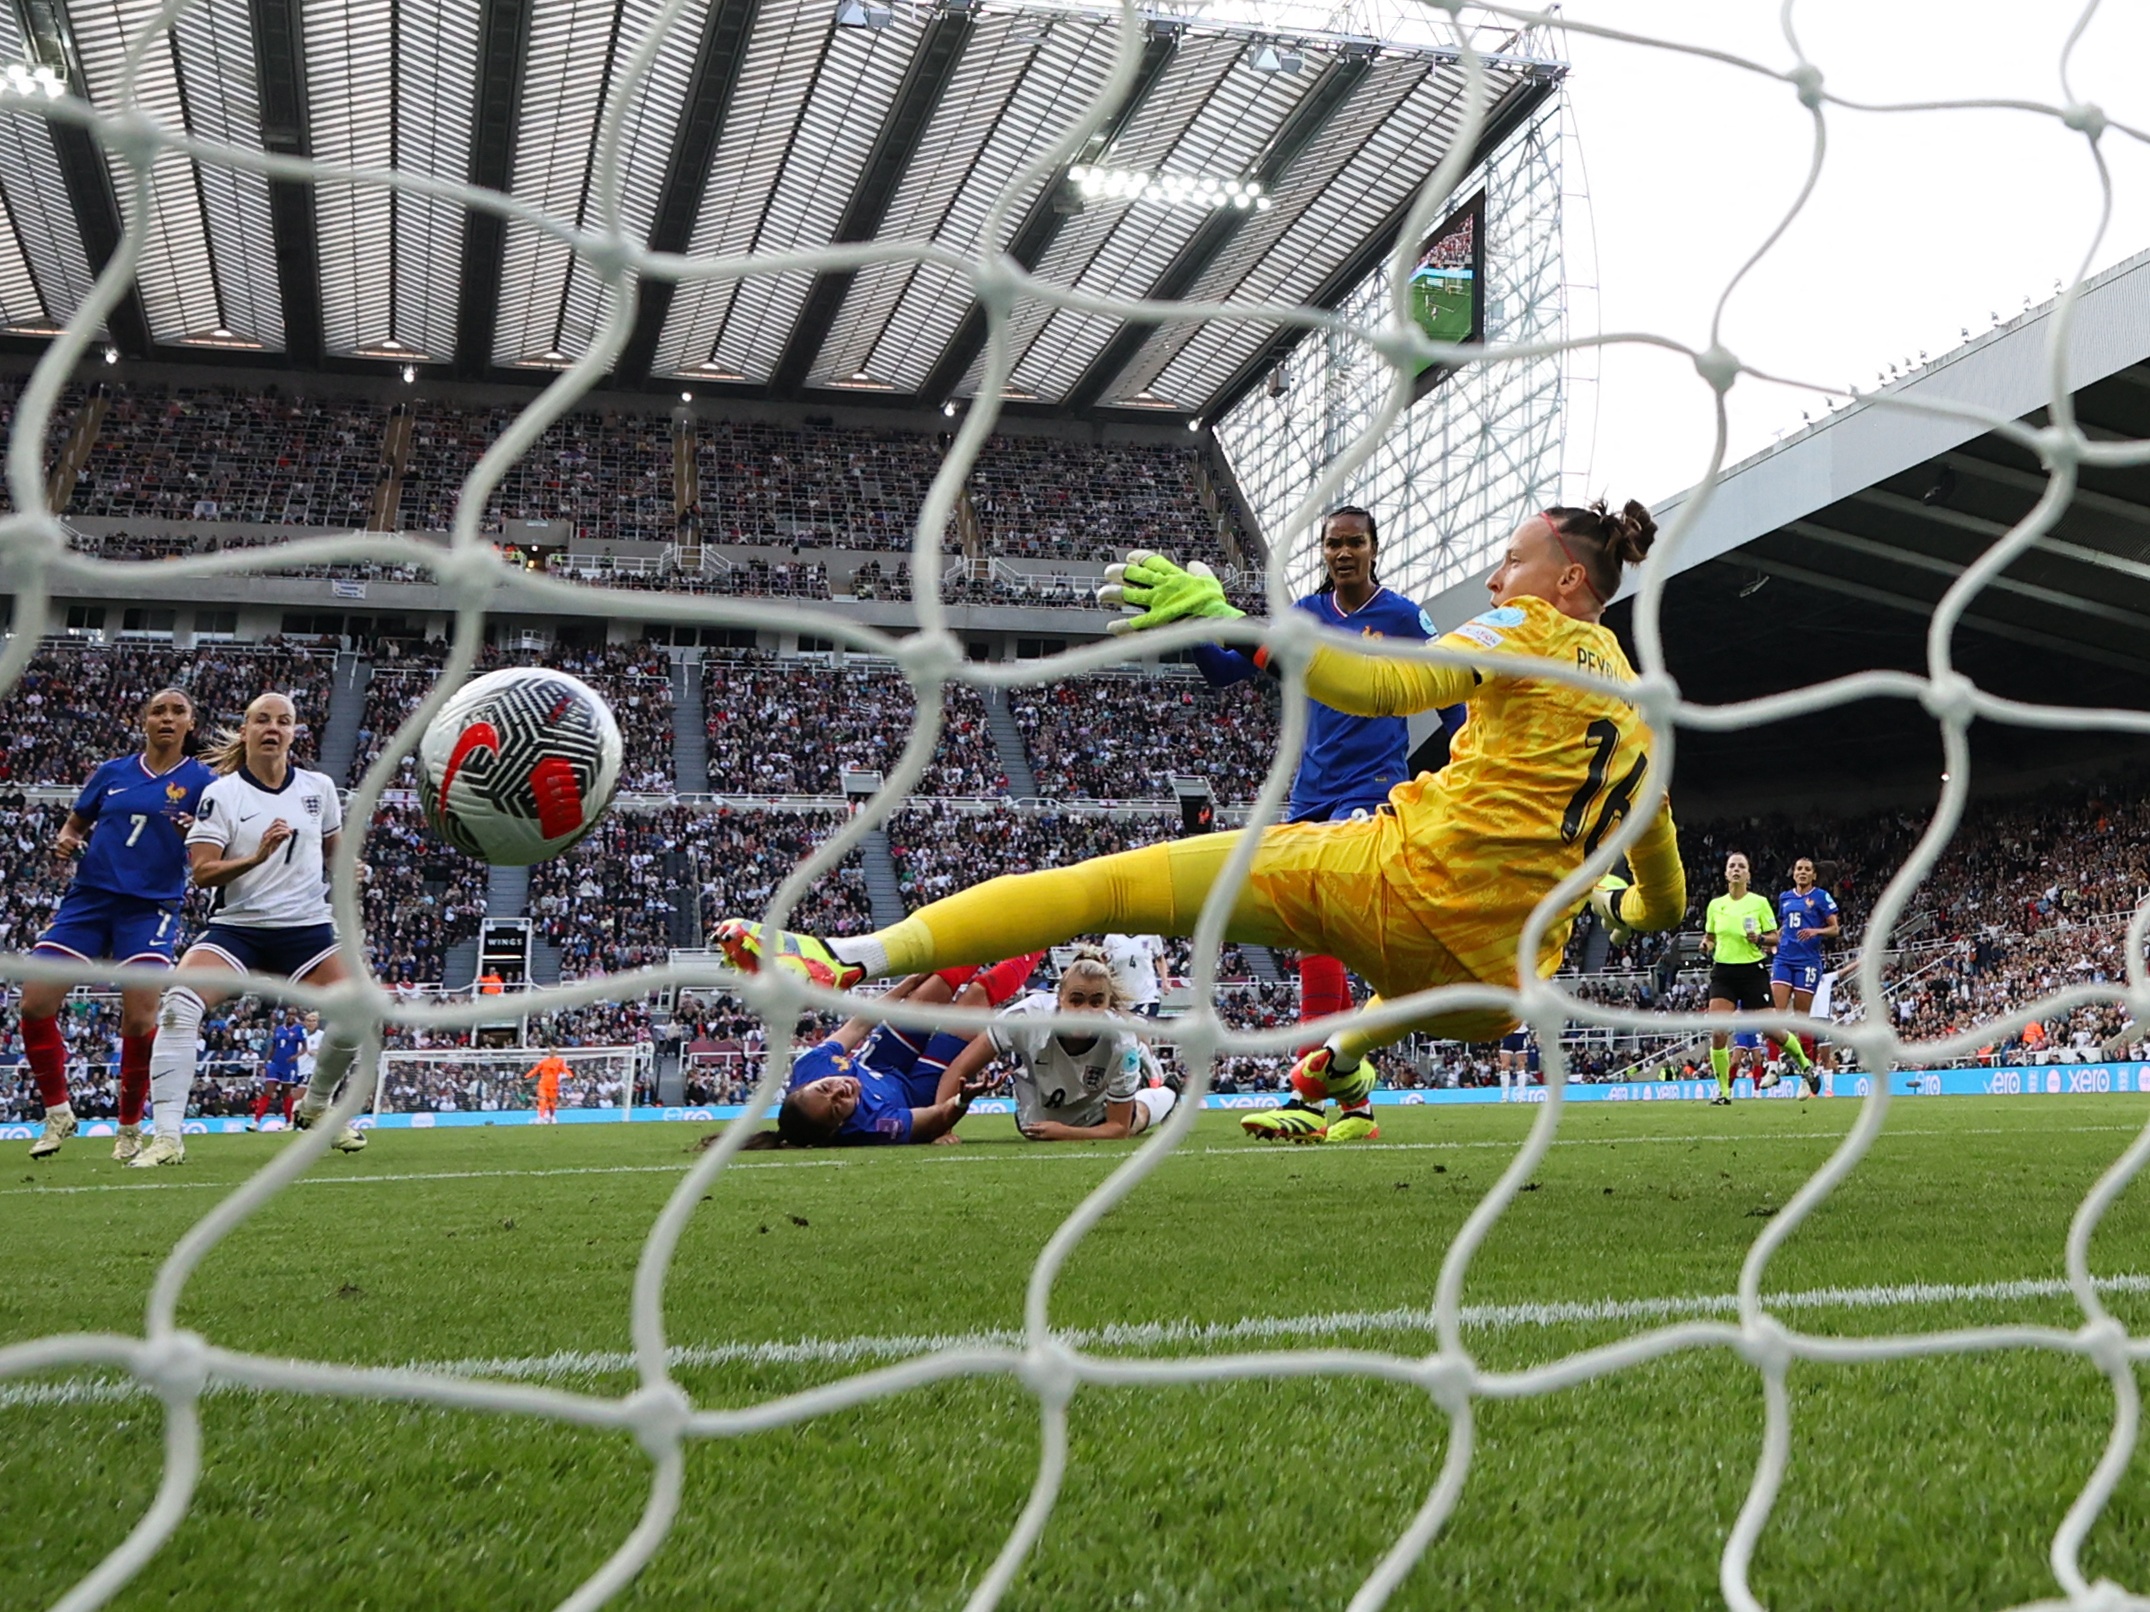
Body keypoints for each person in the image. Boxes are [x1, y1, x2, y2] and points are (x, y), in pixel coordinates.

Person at [715, 502, 1688, 1142]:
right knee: (1396, 992)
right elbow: (1665, 903)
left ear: (1568, 582)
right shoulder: (1648, 722)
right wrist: (1611, 902)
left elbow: (1385, 686)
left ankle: (851, 957)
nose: (1495, 581)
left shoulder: (1528, 627)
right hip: (1498, 990)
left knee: (1111, 887)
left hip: (1391, 882)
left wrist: (1240, 626)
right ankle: (1336, 1082)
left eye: (1511, 562)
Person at [1187, 507, 1462, 1118]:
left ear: (1374, 549)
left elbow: (1454, 701)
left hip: (1372, 784)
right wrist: (1192, 624)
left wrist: (1461, 767)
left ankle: (1305, 1090)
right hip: (1311, 791)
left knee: (1324, 915)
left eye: (1354, 542)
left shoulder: (1402, 617)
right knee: (1312, 930)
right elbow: (1223, 672)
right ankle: (1351, 1101)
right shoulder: (1305, 616)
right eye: (1333, 543)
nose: (1343, 553)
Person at [134, 693, 367, 1167]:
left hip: (305, 929)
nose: (273, 728)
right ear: (246, 731)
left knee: (359, 1011)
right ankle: (167, 1138)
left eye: (283, 721)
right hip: (238, 930)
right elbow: (203, 872)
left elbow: (334, 853)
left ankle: (316, 1106)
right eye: (262, 720)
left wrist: (352, 868)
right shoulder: (222, 794)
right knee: (179, 1005)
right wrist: (258, 856)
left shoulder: (319, 788)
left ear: (294, 732)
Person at [21, 688, 213, 1161]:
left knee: (140, 1018)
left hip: (150, 907)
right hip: (89, 900)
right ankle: (58, 1113)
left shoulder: (205, 782)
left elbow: (216, 845)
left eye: (177, 712)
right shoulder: (112, 773)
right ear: (143, 720)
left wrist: (197, 834)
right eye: (158, 711)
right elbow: (74, 824)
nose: (167, 718)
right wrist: (66, 841)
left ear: (190, 723)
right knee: (34, 1002)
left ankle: (129, 1128)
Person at [746, 968, 1016, 1148]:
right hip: (917, 1093)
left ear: (807, 1083)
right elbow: (936, 1116)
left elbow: (859, 1024)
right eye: (837, 1107)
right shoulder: (874, 1127)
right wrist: (961, 1101)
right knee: (976, 995)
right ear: (838, 1127)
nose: (840, 1090)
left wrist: (908, 984)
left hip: (882, 1062)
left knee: (936, 982)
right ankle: (1033, 949)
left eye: (825, 1087)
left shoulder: (809, 1066)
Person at [944, 947, 1175, 1143]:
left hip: (1096, 1114)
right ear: (1059, 998)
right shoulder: (1024, 1017)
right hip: (1034, 1117)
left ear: (1107, 1004)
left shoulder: (1122, 1043)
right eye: (1076, 1000)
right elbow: (959, 1069)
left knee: (1136, 1120)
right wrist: (942, 1128)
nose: (1085, 1011)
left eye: (1096, 1002)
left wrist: (1065, 1133)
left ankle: (1169, 1092)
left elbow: (1118, 1128)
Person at [1700, 851, 1811, 1105]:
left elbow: (1775, 937)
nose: (1736, 869)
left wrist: (1759, 939)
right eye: (1732, 866)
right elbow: (1710, 936)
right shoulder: (1716, 905)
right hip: (1724, 972)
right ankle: (1723, 1092)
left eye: (1741, 866)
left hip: (1752, 972)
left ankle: (1805, 1065)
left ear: (1748, 875)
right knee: (1718, 1031)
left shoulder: (1759, 903)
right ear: (1726, 873)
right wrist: (1706, 945)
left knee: (1773, 1031)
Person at [1765, 857, 1839, 1098]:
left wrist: (1816, 931)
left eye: (1807, 869)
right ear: (1793, 873)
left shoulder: (1821, 897)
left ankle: (1806, 1075)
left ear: (1814, 875)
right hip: (1783, 959)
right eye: (1799, 869)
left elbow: (1835, 928)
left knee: (1801, 1019)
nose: (1803, 872)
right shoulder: (1785, 898)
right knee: (1773, 1014)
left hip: (1807, 962)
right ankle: (1773, 1067)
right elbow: (1786, 926)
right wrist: (1772, 940)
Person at [248, 1008, 307, 1130]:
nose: (290, 1016)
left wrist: (296, 1056)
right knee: (267, 1091)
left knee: (286, 1093)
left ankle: (289, 1122)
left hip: (289, 1065)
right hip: (275, 1064)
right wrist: (265, 1062)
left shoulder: (299, 1029)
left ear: (296, 1016)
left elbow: (304, 1048)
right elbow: (273, 1046)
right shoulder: (279, 1029)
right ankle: (256, 1122)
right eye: (289, 1014)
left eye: (293, 1014)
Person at [1102, 932, 1167, 1018]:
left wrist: (1165, 981)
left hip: (1146, 996)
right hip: (1122, 1000)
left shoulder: (1151, 935)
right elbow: (1105, 963)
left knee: (1141, 1025)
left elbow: (1160, 958)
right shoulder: (1112, 938)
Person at [526, 1046, 569, 1123]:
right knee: (542, 1100)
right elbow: (536, 1069)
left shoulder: (560, 1062)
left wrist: (569, 1074)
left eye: (554, 1051)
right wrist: (528, 1076)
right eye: (551, 1051)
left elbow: (564, 1070)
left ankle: (552, 1117)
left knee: (551, 1103)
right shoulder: (544, 1062)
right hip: (544, 1084)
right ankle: (541, 1117)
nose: (552, 1053)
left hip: (553, 1086)